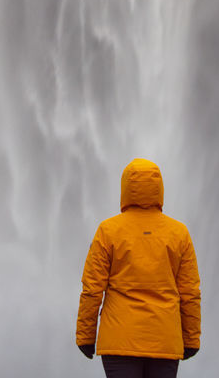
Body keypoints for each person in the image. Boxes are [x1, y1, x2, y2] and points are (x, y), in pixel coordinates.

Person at [75, 158, 201, 377]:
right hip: (164, 341)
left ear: (125, 188)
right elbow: (190, 292)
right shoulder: (179, 233)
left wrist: (86, 336)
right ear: (159, 188)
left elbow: (92, 289)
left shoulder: (108, 231)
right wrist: (191, 339)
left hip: (119, 339)